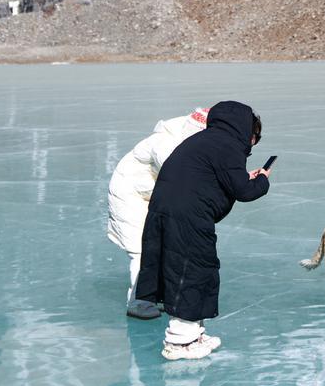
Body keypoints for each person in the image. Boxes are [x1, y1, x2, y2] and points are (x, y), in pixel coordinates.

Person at [135, 100, 271, 360]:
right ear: (246, 130)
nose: (253, 143)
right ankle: (179, 343)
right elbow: (243, 191)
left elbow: (218, 180)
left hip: (168, 211)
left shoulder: (207, 140)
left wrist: (243, 177)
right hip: (186, 217)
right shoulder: (228, 145)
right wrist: (263, 180)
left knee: (185, 268)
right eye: (255, 136)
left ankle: (193, 334)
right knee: (192, 270)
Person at [107, 107, 211, 319]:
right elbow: (183, 175)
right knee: (141, 249)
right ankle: (138, 301)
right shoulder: (165, 144)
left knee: (166, 245)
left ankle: (158, 294)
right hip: (130, 195)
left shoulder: (191, 139)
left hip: (157, 194)